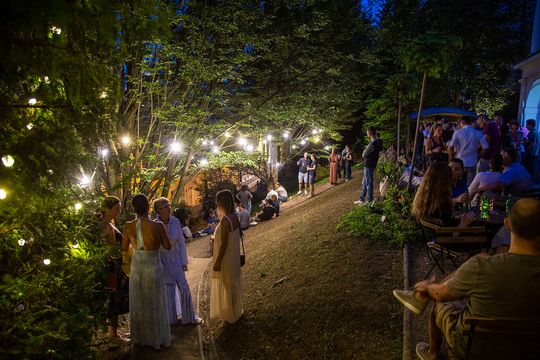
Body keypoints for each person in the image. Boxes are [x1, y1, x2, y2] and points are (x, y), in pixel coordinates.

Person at [393, 198, 540, 360]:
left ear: (507, 224)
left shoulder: (483, 266)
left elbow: (440, 295)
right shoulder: (483, 266)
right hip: (528, 350)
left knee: (439, 301)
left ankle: (432, 353)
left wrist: (428, 288)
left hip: (471, 348)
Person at [122, 194, 171, 349]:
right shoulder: (158, 226)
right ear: (148, 207)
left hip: (137, 266)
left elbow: (123, 249)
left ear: (133, 208)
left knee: (140, 302)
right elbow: (168, 246)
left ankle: (141, 338)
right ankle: (156, 338)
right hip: (153, 265)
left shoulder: (128, 226)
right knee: (154, 301)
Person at [153, 197, 201, 325]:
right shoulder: (154, 225)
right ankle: (171, 319)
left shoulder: (175, 221)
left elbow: (181, 242)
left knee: (183, 285)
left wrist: (184, 261)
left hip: (175, 257)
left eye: (168, 205)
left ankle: (189, 317)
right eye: (166, 206)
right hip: (162, 259)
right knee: (168, 288)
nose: (169, 208)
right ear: (159, 210)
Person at [95, 196, 129, 339]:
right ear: (107, 209)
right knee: (113, 299)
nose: (118, 212)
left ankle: (113, 332)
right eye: (116, 209)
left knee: (114, 298)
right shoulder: (106, 226)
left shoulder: (108, 223)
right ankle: (113, 334)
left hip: (114, 267)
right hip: (112, 268)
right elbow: (111, 250)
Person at [210, 190, 244, 325]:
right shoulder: (234, 216)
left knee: (227, 286)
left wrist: (218, 261)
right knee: (232, 285)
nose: (216, 204)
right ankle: (235, 311)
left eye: (218, 202)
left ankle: (230, 315)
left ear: (222, 202)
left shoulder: (225, 220)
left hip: (226, 259)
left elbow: (224, 244)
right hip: (233, 257)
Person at [411, 162, 475, 227]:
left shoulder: (424, 201)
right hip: (450, 235)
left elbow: (444, 221)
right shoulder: (442, 205)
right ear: (444, 182)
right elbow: (450, 235)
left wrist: (456, 218)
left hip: (433, 235)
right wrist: (464, 223)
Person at [448, 117, 489, 186]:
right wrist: (479, 155)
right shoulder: (478, 133)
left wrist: (451, 159)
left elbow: (450, 147)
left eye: (459, 123)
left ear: (462, 122)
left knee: (456, 184)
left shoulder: (458, 132)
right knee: (469, 187)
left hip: (459, 162)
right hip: (472, 163)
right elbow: (486, 148)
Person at [354, 128, 383, 205]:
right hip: (372, 164)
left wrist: (365, 150)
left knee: (368, 183)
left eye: (367, 133)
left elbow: (364, 155)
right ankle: (362, 199)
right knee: (364, 182)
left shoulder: (372, 144)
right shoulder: (379, 142)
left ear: (369, 134)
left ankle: (369, 200)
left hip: (369, 165)